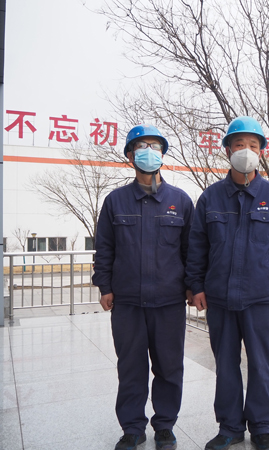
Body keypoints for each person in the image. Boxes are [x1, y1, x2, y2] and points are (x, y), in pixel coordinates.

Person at [186, 116, 269, 450]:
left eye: (253, 145)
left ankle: (262, 427)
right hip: (219, 298)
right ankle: (230, 426)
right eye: (239, 144)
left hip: (260, 297)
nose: (246, 150)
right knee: (225, 365)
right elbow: (197, 247)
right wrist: (196, 286)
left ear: (261, 151)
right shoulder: (210, 198)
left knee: (261, 365)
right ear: (228, 150)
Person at [93, 124, 194, 450]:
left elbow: (191, 251)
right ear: (129, 155)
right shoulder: (115, 201)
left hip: (168, 302)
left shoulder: (180, 201)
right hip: (128, 303)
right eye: (141, 146)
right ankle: (132, 428)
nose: (149, 152)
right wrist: (104, 285)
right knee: (131, 368)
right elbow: (104, 248)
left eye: (155, 146)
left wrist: (192, 286)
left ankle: (164, 426)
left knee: (169, 367)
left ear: (163, 155)